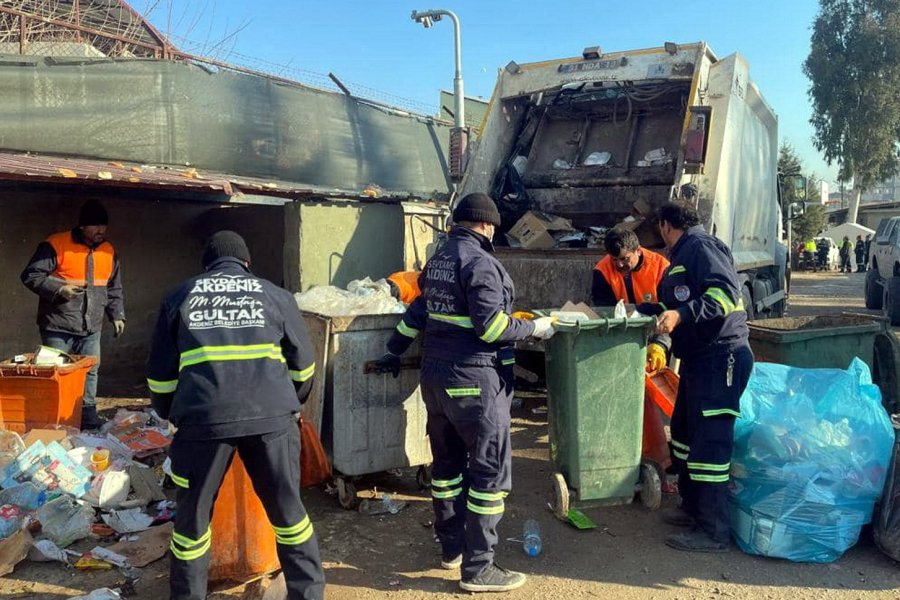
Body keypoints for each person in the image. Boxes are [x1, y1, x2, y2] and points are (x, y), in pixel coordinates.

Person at [372, 193, 555, 593]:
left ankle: (451, 547)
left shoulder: (437, 261)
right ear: (487, 226)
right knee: (489, 473)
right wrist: (536, 329)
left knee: (447, 470)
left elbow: (416, 315)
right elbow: (491, 329)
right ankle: (479, 569)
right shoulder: (481, 264)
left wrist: (392, 351)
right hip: (474, 380)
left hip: (435, 381)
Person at [146, 231, 325, 600]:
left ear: (207, 265)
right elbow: (304, 367)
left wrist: (173, 414)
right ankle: (308, 594)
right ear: (246, 262)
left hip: (202, 421)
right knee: (289, 514)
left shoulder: (180, 296)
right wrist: (290, 404)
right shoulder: (275, 295)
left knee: (192, 522)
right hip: (272, 420)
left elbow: (160, 378)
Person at [637, 202, 753, 552]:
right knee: (685, 435)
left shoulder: (701, 247)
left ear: (666, 224)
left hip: (722, 357)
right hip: (698, 359)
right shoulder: (682, 253)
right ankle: (691, 508)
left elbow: (722, 297)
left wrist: (681, 314)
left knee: (710, 445)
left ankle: (713, 529)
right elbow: (682, 301)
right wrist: (649, 310)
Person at [20, 200, 125, 430]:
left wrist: (117, 315)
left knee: (90, 371)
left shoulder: (109, 251)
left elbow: (113, 287)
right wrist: (59, 289)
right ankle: (53, 418)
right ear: (82, 227)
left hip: (91, 326)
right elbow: (31, 275)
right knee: (55, 372)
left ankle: (87, 417)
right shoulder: (56, 244)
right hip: (58, 325)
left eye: (103, 226)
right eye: (95, 226)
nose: (101, 231)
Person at [591, 226, 670, 371]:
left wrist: (660, 344)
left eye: (625, 259)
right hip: (621, 337)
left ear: (638, 250)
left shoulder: (660, 267)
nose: (619, 264)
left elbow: (669, 309)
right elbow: (605, 312)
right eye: (614, 260)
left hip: (658, 332)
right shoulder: (602, 271)